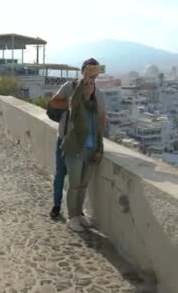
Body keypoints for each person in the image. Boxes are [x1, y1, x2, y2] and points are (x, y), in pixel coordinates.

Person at [48, 58, 106, 219]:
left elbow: (101, 120)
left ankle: (76, 211)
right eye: (90, 70)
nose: (93, 75)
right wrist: (75, 101)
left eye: (96, 71)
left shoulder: (98, 94)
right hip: (65, 138)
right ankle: (57, 205)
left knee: (79, 182)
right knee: (61, 173)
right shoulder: (70, 87)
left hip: (86, 144)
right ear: (83, 71)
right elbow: (54, 103)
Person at [62, 65, 104, 232]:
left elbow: (98, 132)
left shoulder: (93, 109)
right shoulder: (77, 107)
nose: (90, 86)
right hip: (75, 151)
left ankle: (79, 214)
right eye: (87, 85)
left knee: (83, 186)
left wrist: (100, 150)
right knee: (74, 185)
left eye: (92, 85)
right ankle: (72, 217)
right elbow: (75, 99)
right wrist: (83, 80)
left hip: (90, 152)